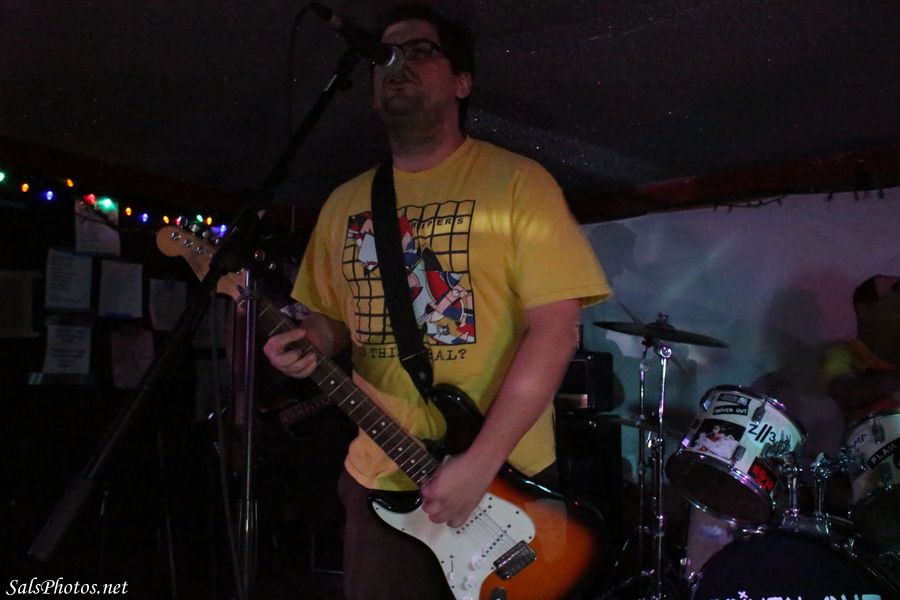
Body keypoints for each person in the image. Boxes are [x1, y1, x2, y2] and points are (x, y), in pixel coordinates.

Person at [263, 4, 611, 599]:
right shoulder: (343, 203)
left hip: (504, 481)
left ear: (462, 82)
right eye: (385, 57)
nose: (397, 65)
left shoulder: (519, 183)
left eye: (420, 51)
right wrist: (307, 343)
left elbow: (556, 331)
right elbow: (332, 320)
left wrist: (479, 463)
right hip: (380, 473)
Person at [823, 274, 900, 425]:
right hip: (876, 436)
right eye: (894, 294)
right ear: (864, 309)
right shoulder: (842, 353)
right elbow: (843, 390)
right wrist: (884, 386)